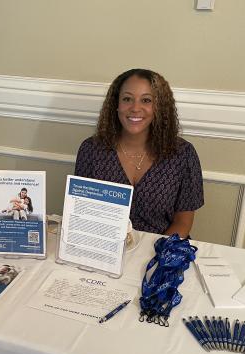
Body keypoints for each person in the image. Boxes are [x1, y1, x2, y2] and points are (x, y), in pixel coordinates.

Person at [74, 68, 204, 238]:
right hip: (104, 248)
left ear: (159, 107)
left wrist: (155, 254)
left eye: (146, 100)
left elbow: (183, 222)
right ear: (116, 105)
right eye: (127, 99)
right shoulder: (91, 150)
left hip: (160, 251)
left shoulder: (182, 154)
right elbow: (81, 211)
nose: (135, 108)